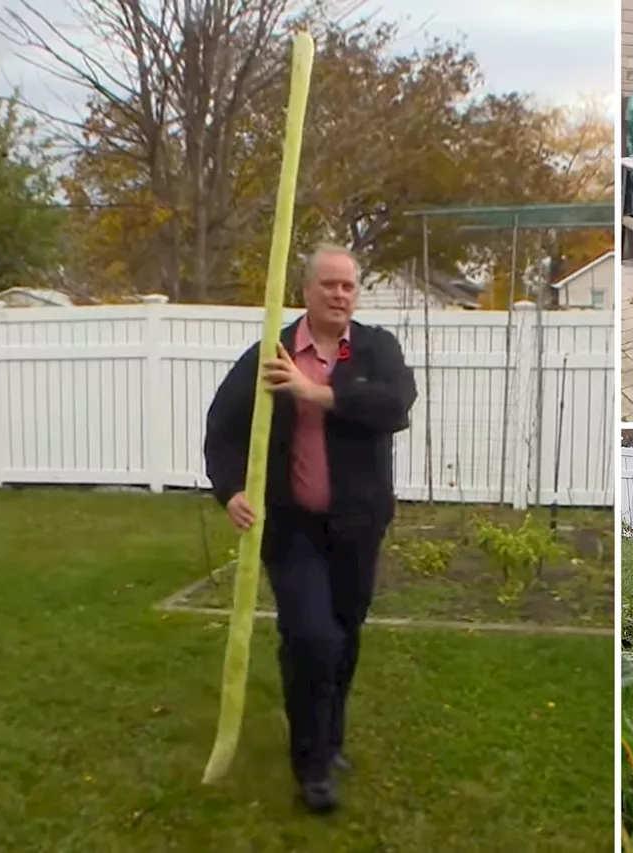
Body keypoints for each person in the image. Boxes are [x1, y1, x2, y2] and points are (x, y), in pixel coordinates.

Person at [204, 243, 417, 813]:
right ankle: (313, 767)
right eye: (329, 285)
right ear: (306, 291)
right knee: (312, 637)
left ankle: (329, 736)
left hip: (356, 526)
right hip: (291, 527)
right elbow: (222, 429)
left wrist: (313, 392)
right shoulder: (269, 355)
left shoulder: (376, 349)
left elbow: (394, 406)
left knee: (343, 638)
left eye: (348, 286)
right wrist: (233, 490)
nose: (340, 295)